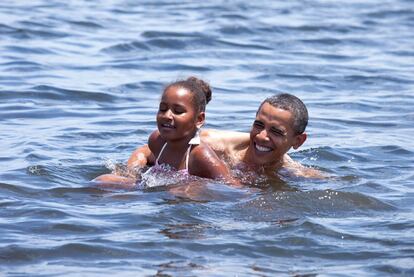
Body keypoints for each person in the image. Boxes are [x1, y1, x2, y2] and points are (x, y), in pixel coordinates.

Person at [128, 93, 323, 181]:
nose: (262, 136)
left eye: (276, 131)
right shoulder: (213, 144)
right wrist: (131, 175)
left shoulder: (291, 171)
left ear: (298, 141)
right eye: (258, 125)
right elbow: (144, 152)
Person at [93, 77, 236, 189]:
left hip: (186, 202)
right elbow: (142, 154)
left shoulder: (199, 155)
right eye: (162, 109)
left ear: (199, 119)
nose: (167, 115)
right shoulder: (157, 140)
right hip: (157, 196)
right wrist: (131, 172)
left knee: (179, 190)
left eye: (178, 111)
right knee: (102, 181)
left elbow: (232, 186)